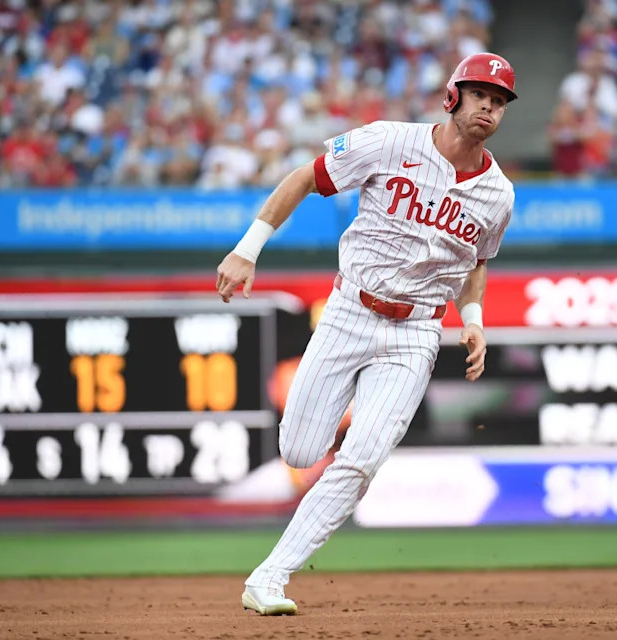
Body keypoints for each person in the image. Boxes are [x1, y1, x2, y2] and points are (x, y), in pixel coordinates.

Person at [215, 52, 517, 616]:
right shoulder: (389, 141)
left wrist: (472, 321)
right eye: (480, 95)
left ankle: (270, 576)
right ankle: (335, 445)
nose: (489, 108)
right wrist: (245, 250)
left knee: (363, 459)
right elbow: (306, 176)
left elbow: (477, 259)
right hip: (351, 309)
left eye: (499, 102)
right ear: (453, 96)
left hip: (416, 332)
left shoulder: (498, 194)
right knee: (299, 449)